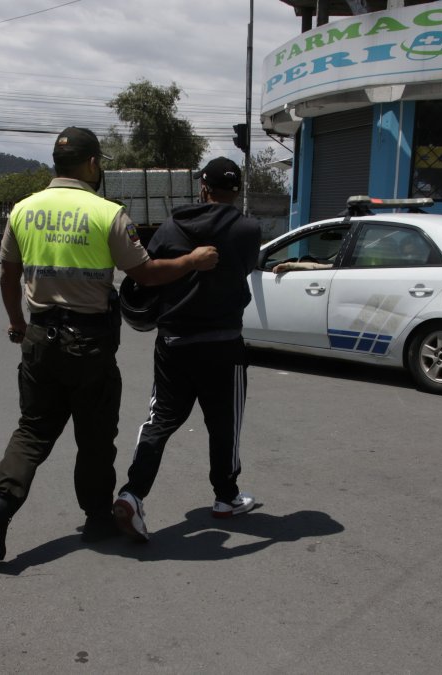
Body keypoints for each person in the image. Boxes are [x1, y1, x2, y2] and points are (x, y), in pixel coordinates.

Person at [0, 127, 218, 561]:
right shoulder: (108, 213)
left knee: (32, 430)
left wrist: (17, 322)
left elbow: (8, 274)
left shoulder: (22, 210)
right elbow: (145, 273)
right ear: (91, 164)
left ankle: (1, 504)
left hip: (39, 337)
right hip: (88, 344)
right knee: (94, 437)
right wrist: (192, 261)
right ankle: (96, 517)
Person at [112, 157, 263, 543]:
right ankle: (226, 497)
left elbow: (151, 272)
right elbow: (242, 270)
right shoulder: (247, 230)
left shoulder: (171, 226)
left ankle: (133, 493)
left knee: (160, 420)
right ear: (237, 191)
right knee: (224, 422)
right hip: (223, 345)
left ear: (202, 187)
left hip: (174, 343)